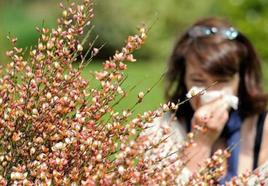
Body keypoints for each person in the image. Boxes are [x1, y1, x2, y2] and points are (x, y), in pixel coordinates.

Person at [162, 17, 268, 182]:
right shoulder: (166, 129)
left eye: (222, 81)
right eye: (198, 81)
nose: (210, 92)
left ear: (241, 80)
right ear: (183, 79)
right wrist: (200, 142)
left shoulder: (264, 129)